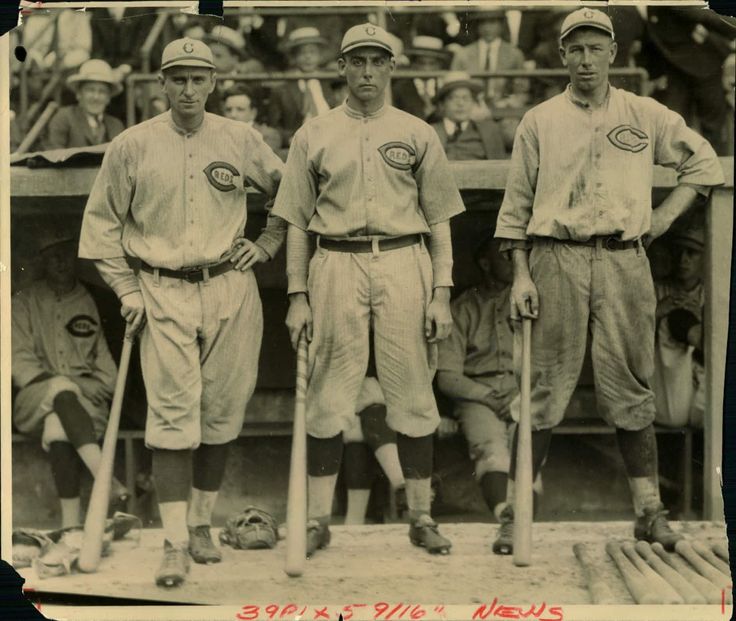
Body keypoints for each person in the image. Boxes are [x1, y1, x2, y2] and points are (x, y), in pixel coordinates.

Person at [493, 8, 724, 554]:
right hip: (556, 258)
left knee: (632, 386)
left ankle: (648, 511)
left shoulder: (644, 113)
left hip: (624, 259)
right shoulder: (540, 120)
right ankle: (516, 513)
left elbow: (705, 164)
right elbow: (515, 208)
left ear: (613, 54)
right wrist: (521, 275)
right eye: (575, 49)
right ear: (562, 55)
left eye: (596, 48)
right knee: (541, 388)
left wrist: (662, 219)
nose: (586, 59)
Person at [78, 38, 286, 588]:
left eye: (198, 78)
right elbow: (99, 230)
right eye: (178, 79)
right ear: (162, 84)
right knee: (172, 418)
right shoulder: (132, 144)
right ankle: (172, 543)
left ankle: (200, 524)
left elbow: (292, 194)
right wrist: (126, 289)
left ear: (213, 82)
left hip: (230, 285)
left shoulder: (240, 137)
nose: (189, 89)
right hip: (161, 289)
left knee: (221, 412)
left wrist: (267, 242)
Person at [272, 23, 465, 557]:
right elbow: (295, 223)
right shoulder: (313, 133)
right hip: (335, 262)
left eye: (377, 61)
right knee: (328, 395)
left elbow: (440, 219)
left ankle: (420, 516)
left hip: (404, 259)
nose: (367, 72)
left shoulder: (417, 131)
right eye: (357, 61)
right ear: (341, 67)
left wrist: (442, 291)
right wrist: (296, 295)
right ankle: (318, 520)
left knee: (413, 391)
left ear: (391, 67)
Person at [11, 226, 128, 530]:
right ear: (42, 261)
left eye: (65, 254)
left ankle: (70, 527)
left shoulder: (91, 300)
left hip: (85, 409)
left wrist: (80, 386)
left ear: (75, 258)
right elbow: (19, 365)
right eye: (52, 257)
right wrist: (74, 382)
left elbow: (109, 377)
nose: (60, 262)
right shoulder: (24, 301)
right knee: (61, 390)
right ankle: (108, 481)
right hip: (33, 401)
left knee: (57, 427)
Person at [436, 237, 541, 527]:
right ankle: (505, 518)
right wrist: (488, 397)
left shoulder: (528, 301)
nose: (514, 262)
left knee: (528, 448)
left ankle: (525, 524)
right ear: (485, 264)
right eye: (505, 256)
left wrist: (519, 395)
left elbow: (545, 363)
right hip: (477, 396)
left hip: (522, 391)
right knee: (491, 447)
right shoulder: (462, 309)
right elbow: (447, 377)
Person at [343, 348, 407, 525]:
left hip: (385, 413)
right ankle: (401, 483)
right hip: (350, 409)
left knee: (364, 426)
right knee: (369, 418)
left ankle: (354, 520)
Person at [652, 224, 706, 428]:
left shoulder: (710, 293)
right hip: (666, 381)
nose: (683, 259)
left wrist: (701, 318)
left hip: (701, 380)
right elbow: (633, 340)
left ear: (704, 257)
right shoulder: (657, 290)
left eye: (691, 252)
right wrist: (657, 313)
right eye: (678, 252)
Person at [267, 27, 338, 145]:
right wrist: (289, 139)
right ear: (294, 57)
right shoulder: (282, 89)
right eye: (302, 53)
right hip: (299, 143)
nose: (308, 57)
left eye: (312, 52)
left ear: (319, 55)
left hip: (330, 141)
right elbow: (274, 127)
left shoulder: (330, 82)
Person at [45, 59, 125, 150]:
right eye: (90, 90)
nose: (96, 97)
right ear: (79, 94)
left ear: (108, 98)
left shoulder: (116, 126)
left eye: (102, 91)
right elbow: (54, 154)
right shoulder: (64, 118)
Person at [450, 10, 525, 106]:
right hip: (471, 107)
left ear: (501, 25)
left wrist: (508, 103)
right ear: (477, 26)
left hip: (504, 108)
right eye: (483, 23)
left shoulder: (514, 54)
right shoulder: (463, 54)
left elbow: (522, 91)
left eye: (492, 22)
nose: (487, 28)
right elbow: (454, 87)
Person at [431, 72, 507, 160]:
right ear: (442, 104)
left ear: (473, 103)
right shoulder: (430, 132)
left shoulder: (490, 131)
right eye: (453, 98)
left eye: (466, 98)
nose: (460, 103)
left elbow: (499, 165)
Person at [392, 36, 452, 121]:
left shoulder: (445, 86)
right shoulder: (400, 88)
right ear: (412, 64)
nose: (426, 69)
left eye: (432, 64)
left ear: (439, 65)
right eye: (421, 63)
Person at [223, 83, 283, 151]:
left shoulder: (267, 136)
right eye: (228, 110)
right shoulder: (218, 135)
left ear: (253, 113)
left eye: (240, 109)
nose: (233, 115)